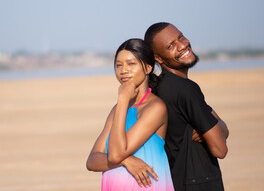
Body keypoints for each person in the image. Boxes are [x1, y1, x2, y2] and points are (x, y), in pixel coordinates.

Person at [144, 22, 229, 191]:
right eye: (171, 45)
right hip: (198, 183)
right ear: (159, 58)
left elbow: (221, 130)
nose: (182, 45)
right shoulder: (185, 89)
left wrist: (217, 127)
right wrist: (218, 124)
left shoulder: (161, 88)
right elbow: (220, 149)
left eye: (180, 37)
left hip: (176, 181)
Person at [86, 38, 174, 191]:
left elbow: (114, 155)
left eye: (131, 64)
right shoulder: (118, 109)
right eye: (118, 65)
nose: (123, 70)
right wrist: (127, 161)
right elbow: (92, 161)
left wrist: (123, 98)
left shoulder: (155, 107)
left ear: (147, 68)